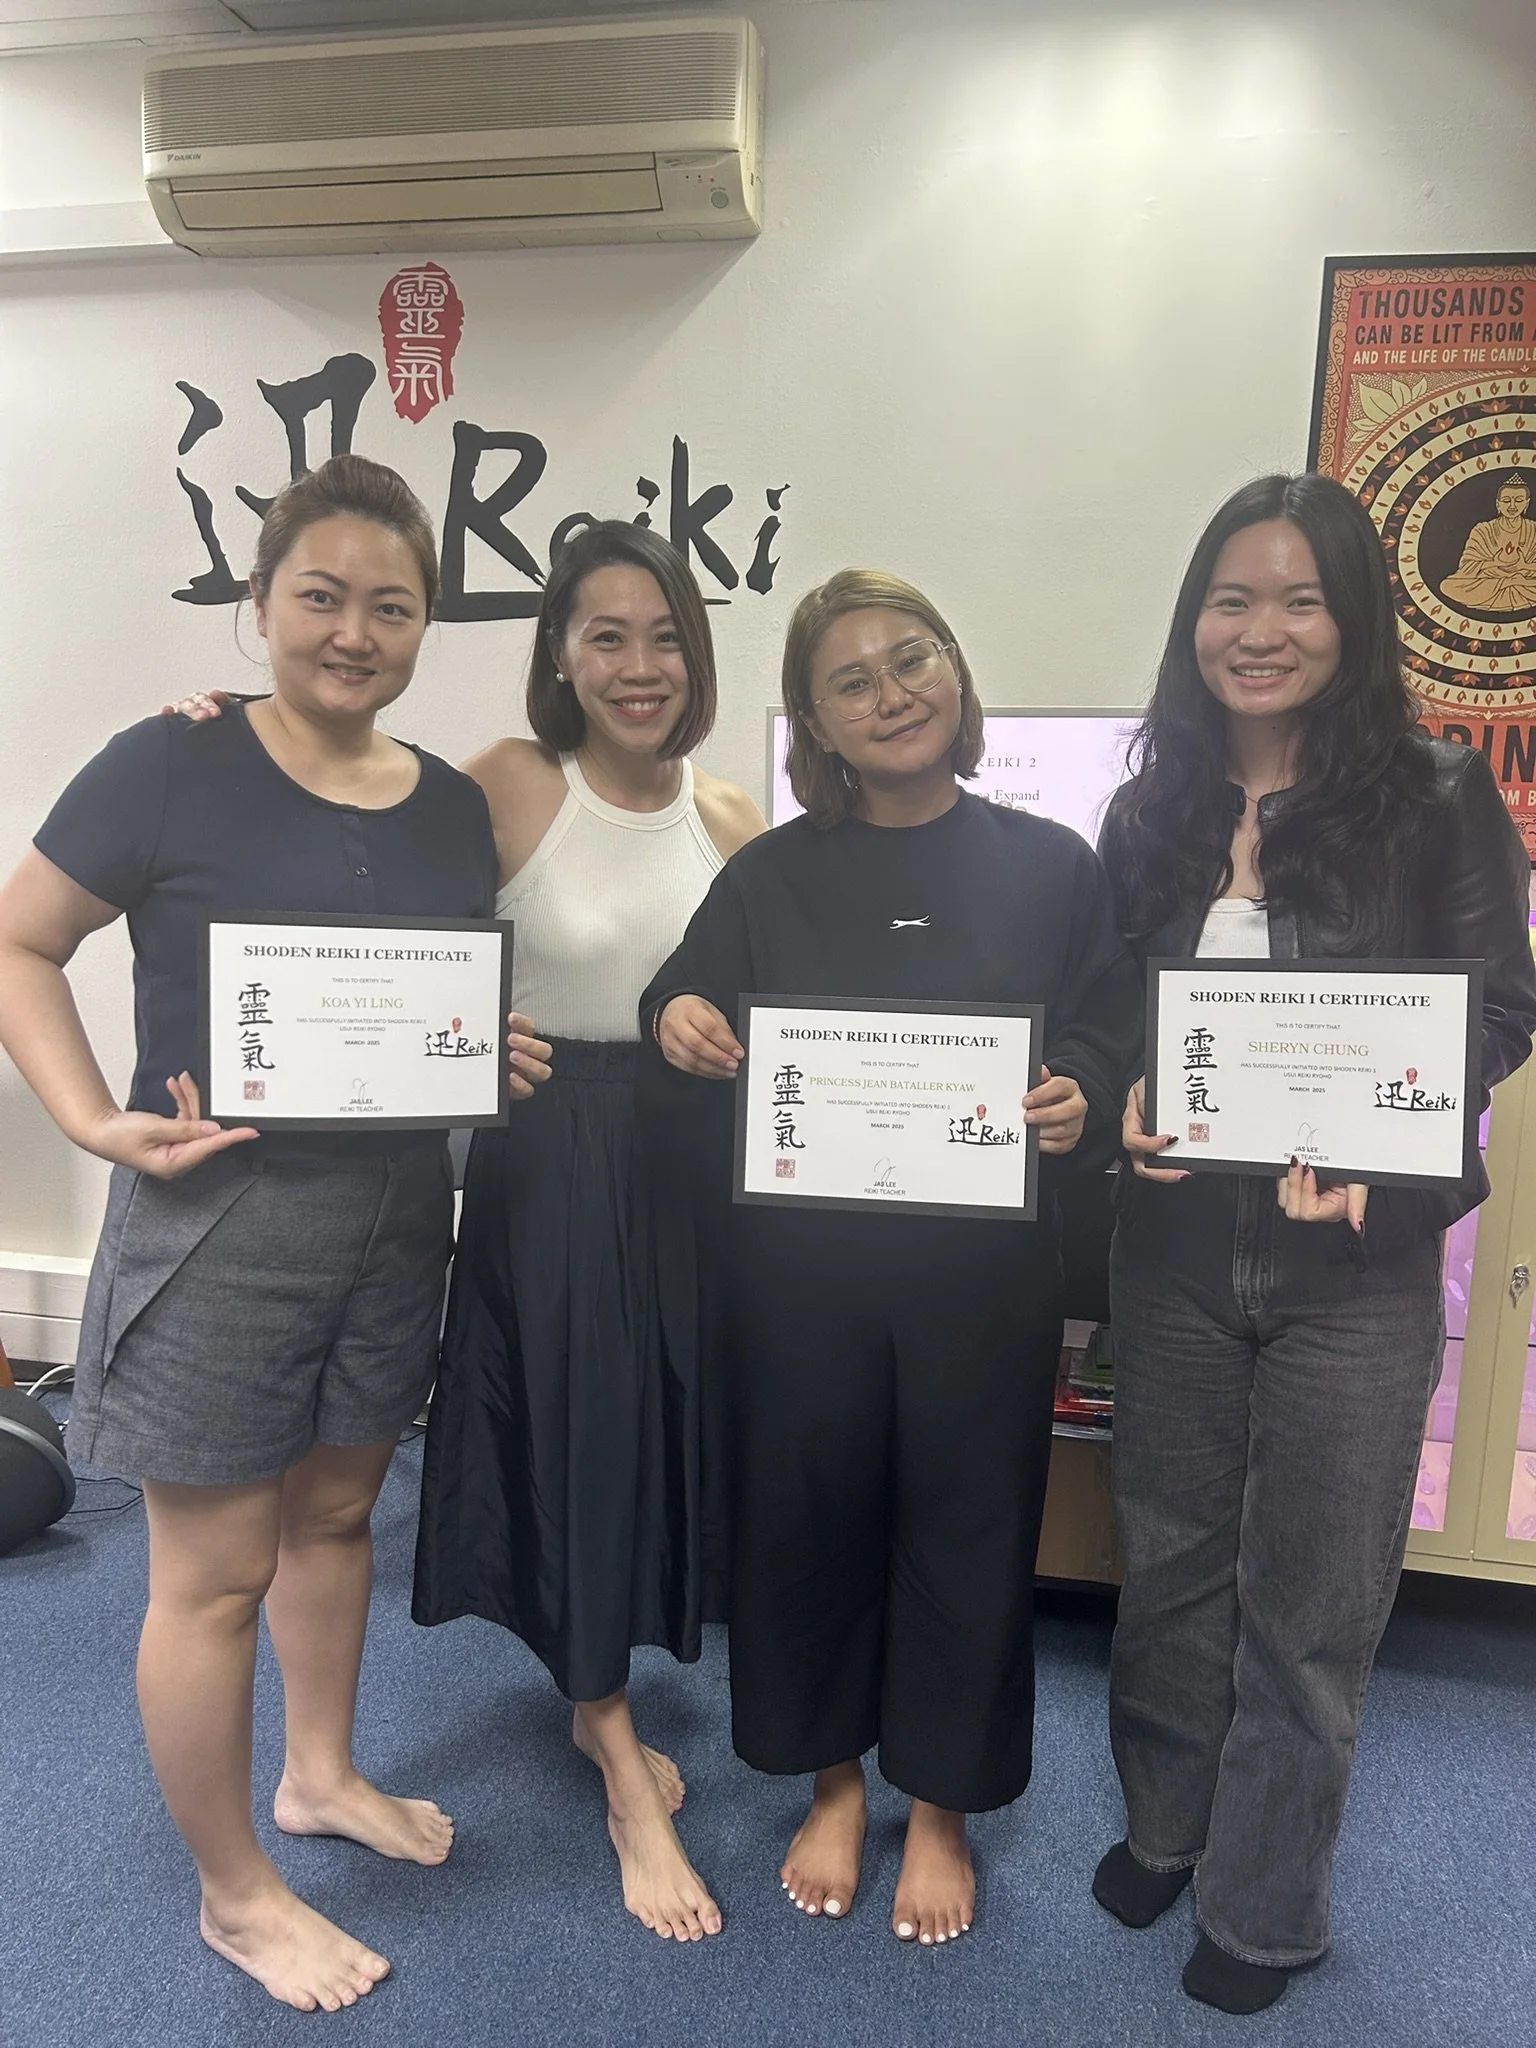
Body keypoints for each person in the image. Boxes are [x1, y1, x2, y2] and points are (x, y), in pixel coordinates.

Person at [0, 455, 550, 2016]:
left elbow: (414, 1001)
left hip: (394, 1215)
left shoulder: (450, 806)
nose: (354, 632)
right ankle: (236, 1895)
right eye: (321, 596)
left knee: (333, 1521)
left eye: (392, 605)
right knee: (215, 1575)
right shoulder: (167, 762)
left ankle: (318, 1775)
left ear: (426, 623)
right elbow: (19, 939)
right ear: (260, 606)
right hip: (220, 1217)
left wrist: (477, 1043)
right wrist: (93, 1120)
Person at [642, 569, 1142, 1947]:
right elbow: (681, 999)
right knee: (806, 1524)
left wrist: (1083, 1088)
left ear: (956, 672)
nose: (891, 691)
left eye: (910, 658)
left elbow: (1110, 1027)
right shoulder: (770, 873)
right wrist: (683, 1017)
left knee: (970, 1532)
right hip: (799, 1276)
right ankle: (834, 1783)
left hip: (982, 1283)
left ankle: (941, 1807)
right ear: (817, 721)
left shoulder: (1053, 865)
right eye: (850, 681)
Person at [1091, 473, 1536, 2014]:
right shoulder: (1150, 804)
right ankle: (1165, 1823)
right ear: (1193, 617)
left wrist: (1383, 1166)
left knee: (1314, 1602)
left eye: (1298, 601)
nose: (1259, 631)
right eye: (1232, 598)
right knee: (1169, 1568)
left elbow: (1498, 1010)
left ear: (1351, 621)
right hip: (1171, 1253)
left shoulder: (1434, 793)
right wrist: (1120, 1099)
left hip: (1357, 1264)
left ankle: (1266, 1905)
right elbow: (1109, 1015)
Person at [410, 521, 765, 1942]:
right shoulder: (510, 783)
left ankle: (593, 1689)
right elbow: (379, 924)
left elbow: (786, 994)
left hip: (690, 1165)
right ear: (559, 653)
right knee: (579, 1435)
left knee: (668, 1437)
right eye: (606, 635)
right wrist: (459, 1042)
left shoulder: (736, 815)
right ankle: (616, 1755)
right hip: (552, 1160)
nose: (639, 665)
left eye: (664, 634)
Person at [1439, 472, 1536, 611]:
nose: (1512, 506)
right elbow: (1467, 566)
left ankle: (1514, 583)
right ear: (1498, 503)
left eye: (1519, 500)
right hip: (1491, 580)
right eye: (1507, 500)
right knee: (1447, 586)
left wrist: (1524, 566)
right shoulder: (1483, 529)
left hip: (1525, 579)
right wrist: (1494, 563)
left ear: (1527, 503)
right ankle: (1507, 583)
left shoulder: (1533, 528)